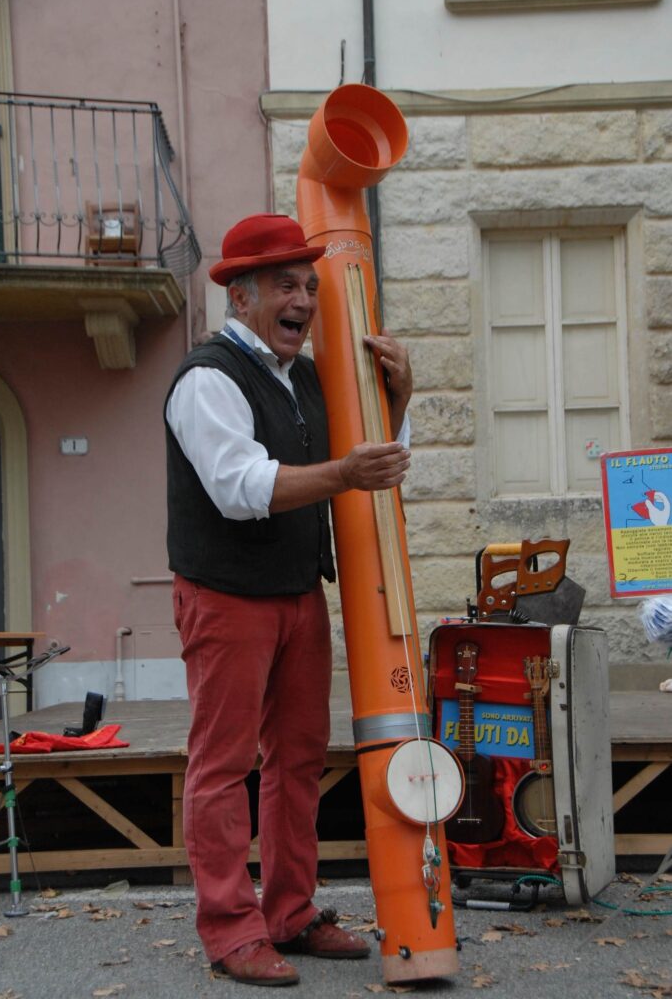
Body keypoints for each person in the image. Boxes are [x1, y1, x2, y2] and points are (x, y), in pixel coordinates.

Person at [165, 213, 412, 987]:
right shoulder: (207, 378)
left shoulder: (301, 376)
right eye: (286, 285)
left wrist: (398, 398)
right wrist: (343, 474)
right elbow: (239, 489)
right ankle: (230, 929)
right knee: (224, 765)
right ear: (241, 297)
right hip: (226, 596)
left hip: (298, 592)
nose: (304, 299)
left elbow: (370, 462)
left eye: (309, 285)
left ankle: (290, 913)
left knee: (298, 760)